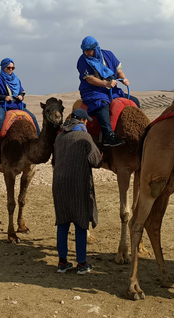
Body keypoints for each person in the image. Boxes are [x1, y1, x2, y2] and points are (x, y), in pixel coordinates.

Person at [52, 108, 103, 274]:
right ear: (82, 121)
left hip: (59, 183)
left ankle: (62, 262)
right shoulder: (84, 136)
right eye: (86, 121)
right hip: (78, 183)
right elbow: (96, 162)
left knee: (63, 222)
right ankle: (82, 264)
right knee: (81, 223)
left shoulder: (59, 136)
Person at [76, 36, 140, 147]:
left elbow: (118, 70)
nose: (87, 53)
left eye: (89, 50)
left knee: (134, 101)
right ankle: (108, 135)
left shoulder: (108, 55)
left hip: (111, 89)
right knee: (102, 103)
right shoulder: (83, 60)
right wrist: (106, 84)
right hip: (93, 91)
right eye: (85, 50)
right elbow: (89, 79)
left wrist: (124, 79)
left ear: (95, 48)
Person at [0, 58, 40, 155]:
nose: (11, 69)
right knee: (0, 117)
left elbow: (22, 92)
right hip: (0, 104)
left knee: (32, 117)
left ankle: (39, 140)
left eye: (12, 68)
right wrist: (4, 97)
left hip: (15, 104)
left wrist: (21, 97)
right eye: (8, 67)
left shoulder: (16, 79)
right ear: (3, 67)